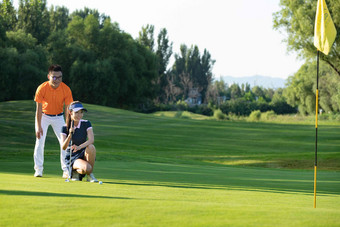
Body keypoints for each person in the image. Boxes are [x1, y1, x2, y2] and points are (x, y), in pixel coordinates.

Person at [33, 64, 73, 178]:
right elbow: (38, 110)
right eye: (54, 77)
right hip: (44, 116)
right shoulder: (41, 88)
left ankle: (66, 170)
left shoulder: (66, 89)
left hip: (58, 117)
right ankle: (38, 170)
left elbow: (68, 110)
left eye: (59, 77)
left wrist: (67, 125)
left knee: (65, 143)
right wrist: (38, 126)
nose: (56, 80)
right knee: (40, 141)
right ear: (48, 76)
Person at [61, 101, 98, 182]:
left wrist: (80, 147)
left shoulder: (86, 123)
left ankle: (90, 175)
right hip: (72, 156)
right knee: (86, 168)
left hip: (83, 152)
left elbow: (91, 140)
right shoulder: (64, 127)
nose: (79, 115)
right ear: (70, 112)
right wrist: (70, 135)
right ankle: (74, 171)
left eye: (81, 112)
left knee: (91, 147)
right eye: (76, 112)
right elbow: (63, 147)